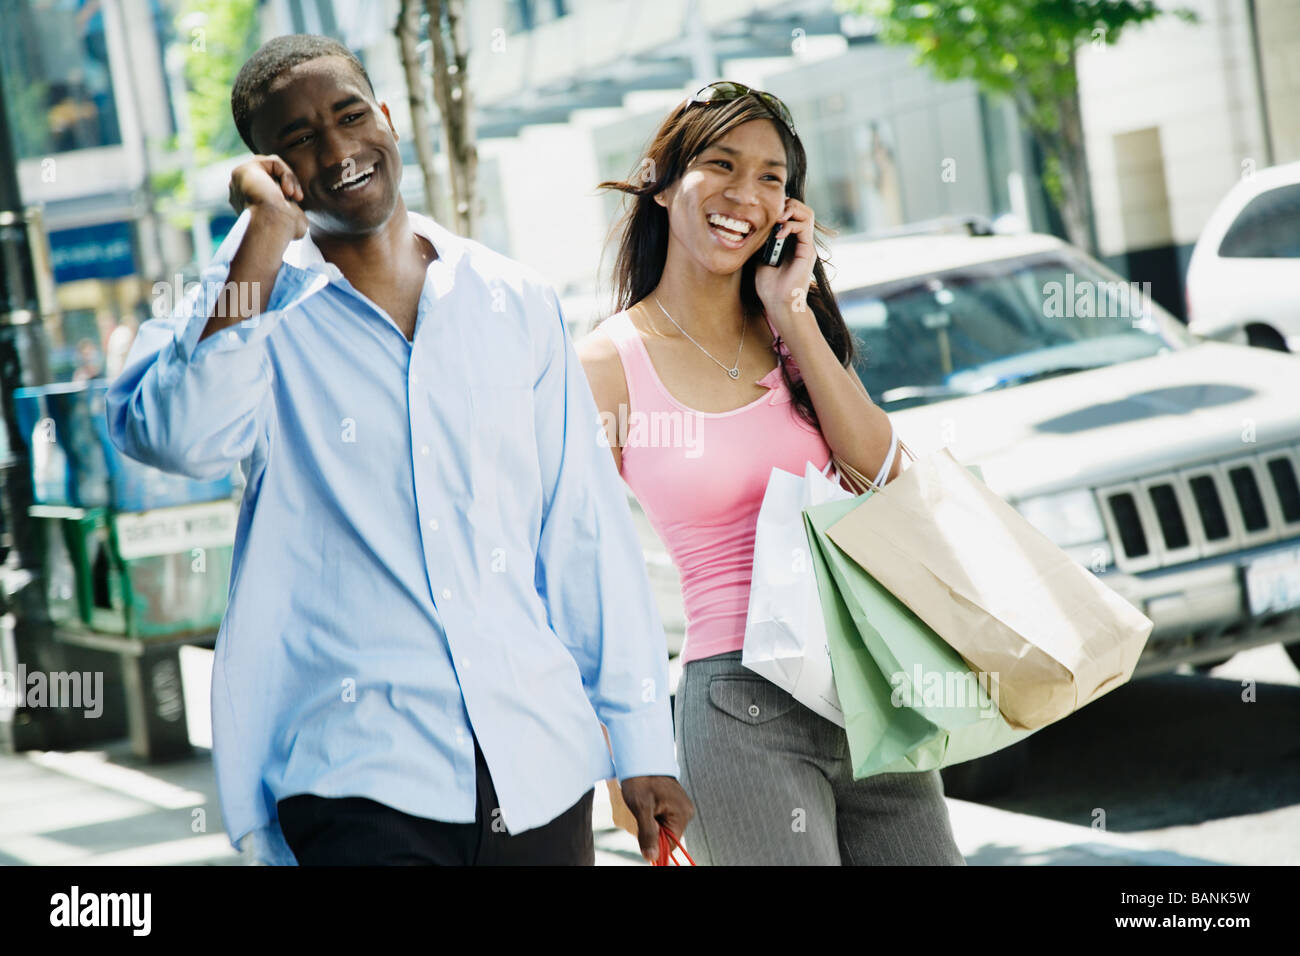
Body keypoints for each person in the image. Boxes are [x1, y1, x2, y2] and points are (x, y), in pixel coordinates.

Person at [106, 34, 691, 866]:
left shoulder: (512, 301)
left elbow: (583, 531)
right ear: (273, 170)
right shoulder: (259, 309)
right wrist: (263, 233)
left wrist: (640, 745)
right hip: (357, 775)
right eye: (300, 139)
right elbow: (176, 435)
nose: (338, 148)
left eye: (349, 116)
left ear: (386, 117)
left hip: (537, 765)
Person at [576, 81, 965, 865]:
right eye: (721, 164)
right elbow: (578, 569)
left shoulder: (791, 330)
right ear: (660, 180)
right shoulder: (607, 363)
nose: (745, 195)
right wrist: (622, 752)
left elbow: (882, 473)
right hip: (735, 704)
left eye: (771, 178)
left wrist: (791, 308)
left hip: (863, 683)